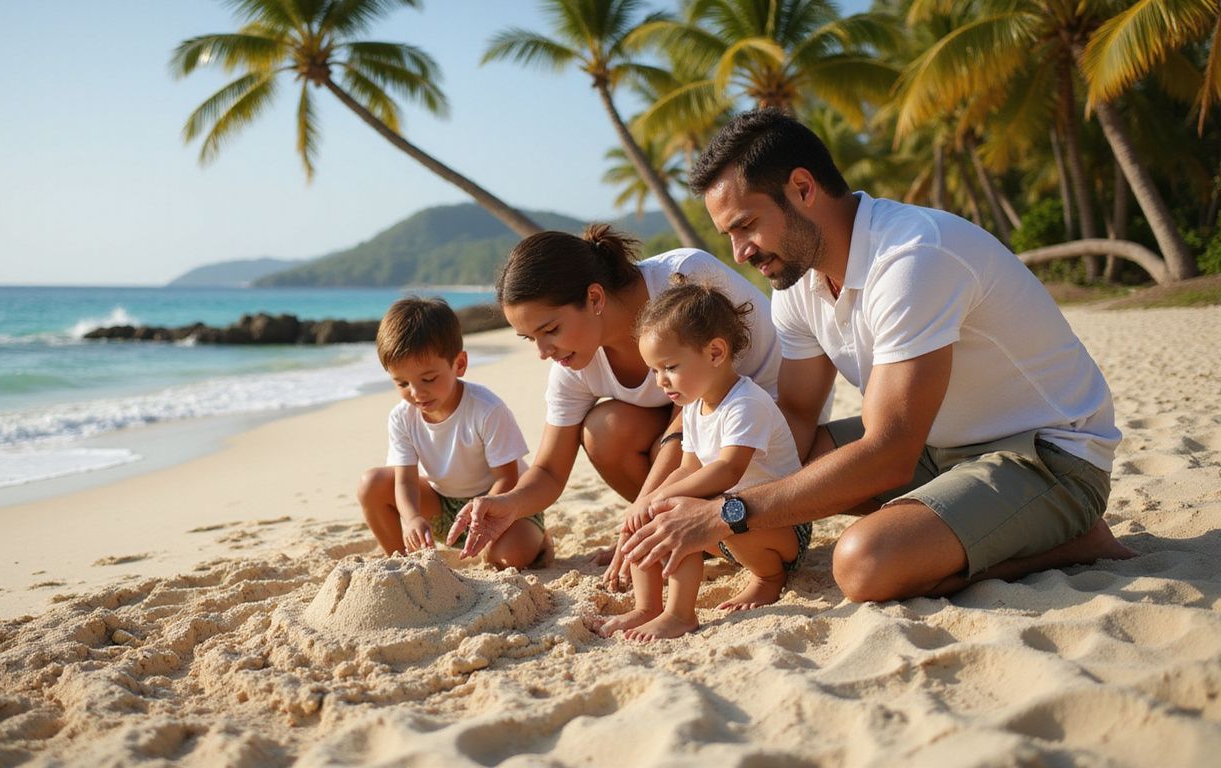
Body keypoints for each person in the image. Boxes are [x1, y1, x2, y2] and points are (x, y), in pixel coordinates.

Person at [622, 108, 1134, 602]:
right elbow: (797, 417)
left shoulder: (912, 257)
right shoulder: (798, 281)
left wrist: (727, 514)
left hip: (1047, 457)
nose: (740, 252)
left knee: (864, 562)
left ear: (803, 188)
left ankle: (1070, 542)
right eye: (729, 235)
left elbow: (889, 452)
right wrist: (707, 495)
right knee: (786, 453)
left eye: (746, 225)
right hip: (937, 448)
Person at [445, 224, 781, 573]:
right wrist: (509, 503)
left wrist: (638, 517)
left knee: (657, 446)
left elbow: (693, 416)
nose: (544, 352)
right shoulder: (571, 363)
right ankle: (683, 535)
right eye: (531, 339)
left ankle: (687, 533)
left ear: (594, 298)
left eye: (550, 330)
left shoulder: (684, 279)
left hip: (761, 433)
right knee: (604, 429)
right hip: (700, 445)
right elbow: (548, 470)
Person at [597, 278, 809, 640]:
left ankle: (756, 582)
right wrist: (649, 501)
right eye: (654, 371)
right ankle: (647, 607)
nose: (661, 381)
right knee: (653, 515)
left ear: (714, 353)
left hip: (779, 525)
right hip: (727, 522)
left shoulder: (746, 403)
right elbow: (687, 466)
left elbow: (728, 470)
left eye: (670, 367)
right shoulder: (694, 406)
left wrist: (665, 498)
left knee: (676, 505)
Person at [357, 296, 548, 569]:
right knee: (371, 484)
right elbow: (406, 482)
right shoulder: (403, 416)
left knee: (507, 559)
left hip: (503, 504)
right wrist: (411, 518)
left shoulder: (486, 409)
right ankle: (404, 565)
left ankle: (541, 540)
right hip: (444, 503)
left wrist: (481, 518)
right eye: (402, 382)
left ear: (459, 364)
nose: (416, 392)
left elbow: (507, 478)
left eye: (428, 379)